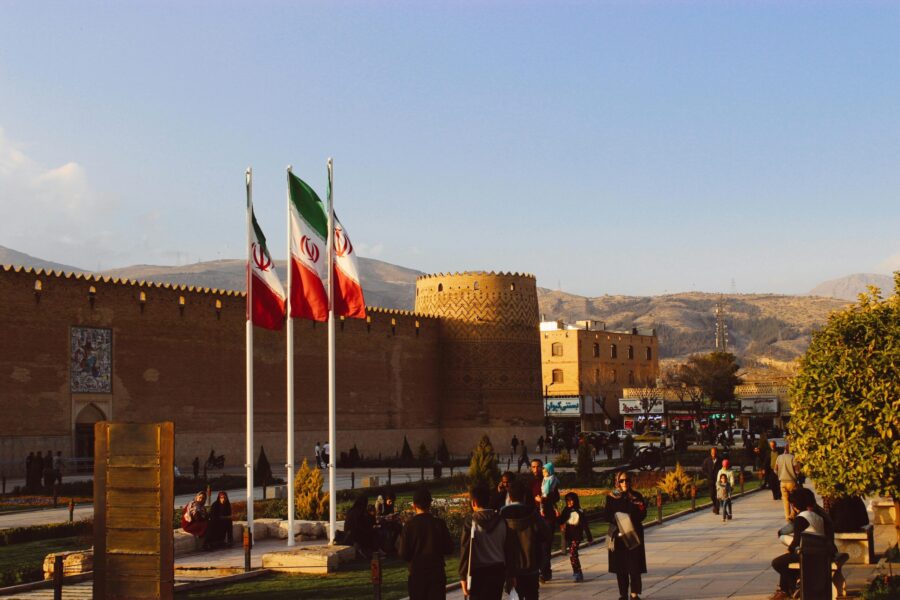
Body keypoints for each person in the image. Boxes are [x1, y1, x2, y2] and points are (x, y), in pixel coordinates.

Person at [770, 487, 836, 599]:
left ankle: (794, 586)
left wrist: (790, 550)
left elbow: (796, 542)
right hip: (821, 549)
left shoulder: (801, 518)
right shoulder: (815, 513)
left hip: (811, 553)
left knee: (777, 563)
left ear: (796, 504)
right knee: (786, 561)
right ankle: (787, 588)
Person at [398, 487, 454, 600]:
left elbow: (404, 553)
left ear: (414, 505)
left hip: (417, 573)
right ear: (430, 504)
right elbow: (449, 548)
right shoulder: (439, 524)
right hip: (436, 572)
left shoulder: (409, 526)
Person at [500, 479, 551, 600]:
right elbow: (546, 535)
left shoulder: (502, 516)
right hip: (531, 565)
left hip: (511, 567)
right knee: (532, 595)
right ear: (524, 496)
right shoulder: (532, 514)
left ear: (509, 496)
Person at [459, 483, 508, 600]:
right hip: (498, 571)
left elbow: (465, 549)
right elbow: (508, 548)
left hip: (478, 572)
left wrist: (463, 576)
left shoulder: (471, 522)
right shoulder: (502, 521)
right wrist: (511, 574)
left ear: (474, 503)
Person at [605, 471, 647, 600]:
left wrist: (629, 519)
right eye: (622, 480)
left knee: (635, 566)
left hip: (633, 534)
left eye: (627, 480)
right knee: (621, 567)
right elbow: (607, 514)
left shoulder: (636, 496)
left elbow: (643, 513)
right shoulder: (612, 497)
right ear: (617, 482)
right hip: (618, 536)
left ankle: (634, 594)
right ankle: (623, 594)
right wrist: (619, 519)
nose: (625, 483)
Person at [558, 491, 593, 582]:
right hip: (569, 534)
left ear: (575, 501)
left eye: (571, 500)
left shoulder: (579, 511)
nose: (569, 502)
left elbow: (585, 525)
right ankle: (578, 571)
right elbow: (561, 521)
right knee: (573, 555)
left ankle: (577, 573)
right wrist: (558, 516)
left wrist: (589, 537)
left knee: (573, 553)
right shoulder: (566, 510)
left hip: (577, 535)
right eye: (567, 500)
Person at [537, 462, 560, 582]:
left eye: (541, 468)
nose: (541, 471)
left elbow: (554, 497)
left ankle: (545, 572)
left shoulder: (550, 481)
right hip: (538, 516)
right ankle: (542, 570)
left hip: (547, 516)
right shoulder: (542, 481)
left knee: (545, 545)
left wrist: (542, 500)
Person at [343, 493, 376, 558]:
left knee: (370, 531)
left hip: (349, 533)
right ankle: (373, 551)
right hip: (354, 534)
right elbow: (359, 525)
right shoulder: (358, 511)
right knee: (372, 532)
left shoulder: (353, 510)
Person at [775, 443, 800, 521]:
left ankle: (787, 517)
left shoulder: (779, 457)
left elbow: (775, 470)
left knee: (785, 500)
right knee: (794, 499)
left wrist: (780, 474)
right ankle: (796, 513)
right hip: (791, 481)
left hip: (782, 482)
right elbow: (797, 471)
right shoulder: (792, 457)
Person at [375, 489, 401, 554]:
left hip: (389, 521)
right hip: (381, 523)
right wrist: (387, 517)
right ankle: (387, 548)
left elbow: (391, 513)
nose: (391, 503)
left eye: (392, 501)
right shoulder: (379, 504)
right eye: (390, 501)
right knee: (387, 530)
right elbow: (377, 517)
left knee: (399, 527)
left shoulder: (390, 503)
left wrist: (394, 516)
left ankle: (395, 546)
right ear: (386, 498)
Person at [701, 447, 722, 514]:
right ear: (710, 453)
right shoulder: (707, 460)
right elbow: (703, 469)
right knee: (712, 495)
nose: (713, 453)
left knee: (718, 495)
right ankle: (715, 505)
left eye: (715, 452)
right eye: (712, 452)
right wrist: (707, 475)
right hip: (710, 480)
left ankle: (717, 508)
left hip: (718, 481)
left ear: (717, 452)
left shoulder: (720, 460)